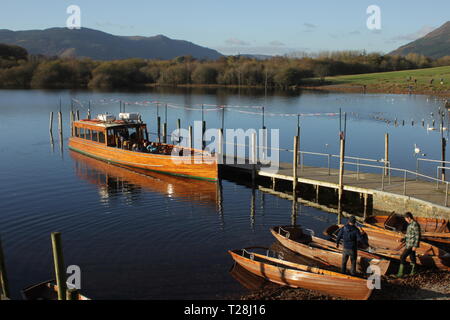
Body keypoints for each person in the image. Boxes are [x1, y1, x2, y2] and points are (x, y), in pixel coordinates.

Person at [395, 212, 420, 278]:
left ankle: (400, 273)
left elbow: (417, 236)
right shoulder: (409, 224)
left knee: (402, 257)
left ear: (409, 218)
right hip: (408, 243)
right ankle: (413, 271)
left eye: (406, 218)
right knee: (412, 257)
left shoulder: (415, 224)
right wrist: (402, 239)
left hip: (411, 245)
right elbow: (408, 234)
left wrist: (415, 246)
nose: (405, 220)